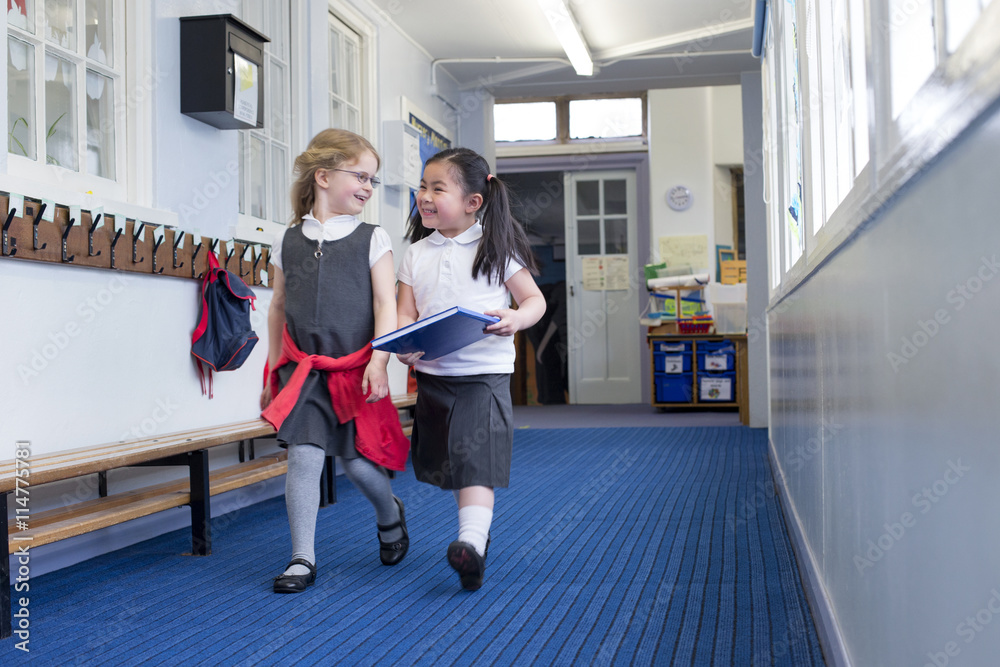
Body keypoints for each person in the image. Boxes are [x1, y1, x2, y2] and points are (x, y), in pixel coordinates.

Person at [260, 129, 411, 594]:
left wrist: (380, 362)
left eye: (372, 179)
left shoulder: (373, 236)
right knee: (303, 458)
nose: (368, 186)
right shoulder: (286, 240)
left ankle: (390, 513)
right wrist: (272, 370)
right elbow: (279, 305)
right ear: (323, 176)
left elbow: (386, 304)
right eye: (360, 176)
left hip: (355, 370)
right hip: (302, 371)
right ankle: (301, 558)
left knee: (358, 464)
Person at [395, 148, 546, 591]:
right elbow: (406, 312)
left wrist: (517, 318)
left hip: (483, 375)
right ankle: (474, 544)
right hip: (435, 378)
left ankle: (471, 544)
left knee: (475, 461)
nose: (424, 195)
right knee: (454, 463)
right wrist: (405, 343)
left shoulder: (497, 249)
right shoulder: (415, 254)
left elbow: (533, 300)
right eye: (422, 186)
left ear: (472, 202)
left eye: (437, 188)